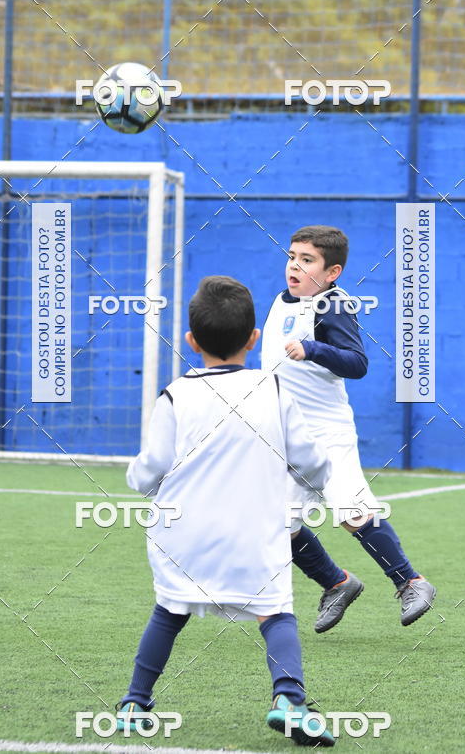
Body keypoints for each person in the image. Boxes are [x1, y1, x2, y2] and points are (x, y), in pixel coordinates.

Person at [117, 275, 336, 746]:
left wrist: (141, 483)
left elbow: (150, 468)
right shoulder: (274, 390)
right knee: (275, 613)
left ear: (191, 341)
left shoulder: (175, 395)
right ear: (254, 339)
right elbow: (312, 461)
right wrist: (313, 486)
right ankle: (289, 700)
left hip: (182, 535)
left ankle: (134, 704)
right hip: (253, 534)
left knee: (170, 609)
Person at [261, 226, 436, 630]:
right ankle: (337, 583)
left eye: (307, 260)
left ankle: (412, 582)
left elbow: (357, 363)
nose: (294, 266)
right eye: (292, 257)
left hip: (325, 434)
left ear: (332, 272)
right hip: (285, 436)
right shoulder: (281, 301)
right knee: (275, 523)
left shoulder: (332, 305)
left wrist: (313, 349)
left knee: (351, 511)